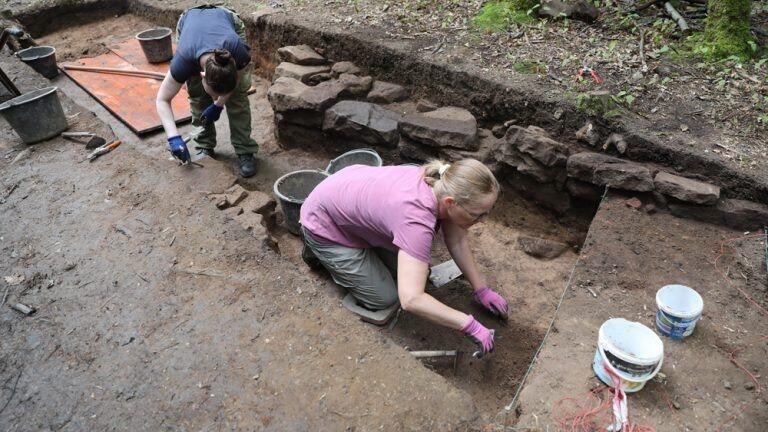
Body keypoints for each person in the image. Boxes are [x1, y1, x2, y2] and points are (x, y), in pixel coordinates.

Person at [299, 159, 508, 355]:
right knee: (387, 298)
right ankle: (318, 250)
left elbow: (458, 241)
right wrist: (468, 325)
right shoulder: (416, 221)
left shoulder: (439, 183)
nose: (483, 220)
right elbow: (411, 299)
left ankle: (363, 251)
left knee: (417, 271)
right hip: (325, 223)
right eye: (478, 214)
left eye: (487, 212)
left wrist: (481, 289)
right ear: (451, 202)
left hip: (346, 200)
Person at [155, 5, 259, 177]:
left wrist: (218, 104)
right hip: (190, 23)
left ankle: (245, 149)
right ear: (201, 75)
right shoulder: (184, 61)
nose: (217, 98)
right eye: (214, 94)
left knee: (238, 97)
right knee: (197, 96)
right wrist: (173, 137)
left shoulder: (239, 53)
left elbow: (235, 81)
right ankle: (204, 144)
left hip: (226, 21)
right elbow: (162, 100)